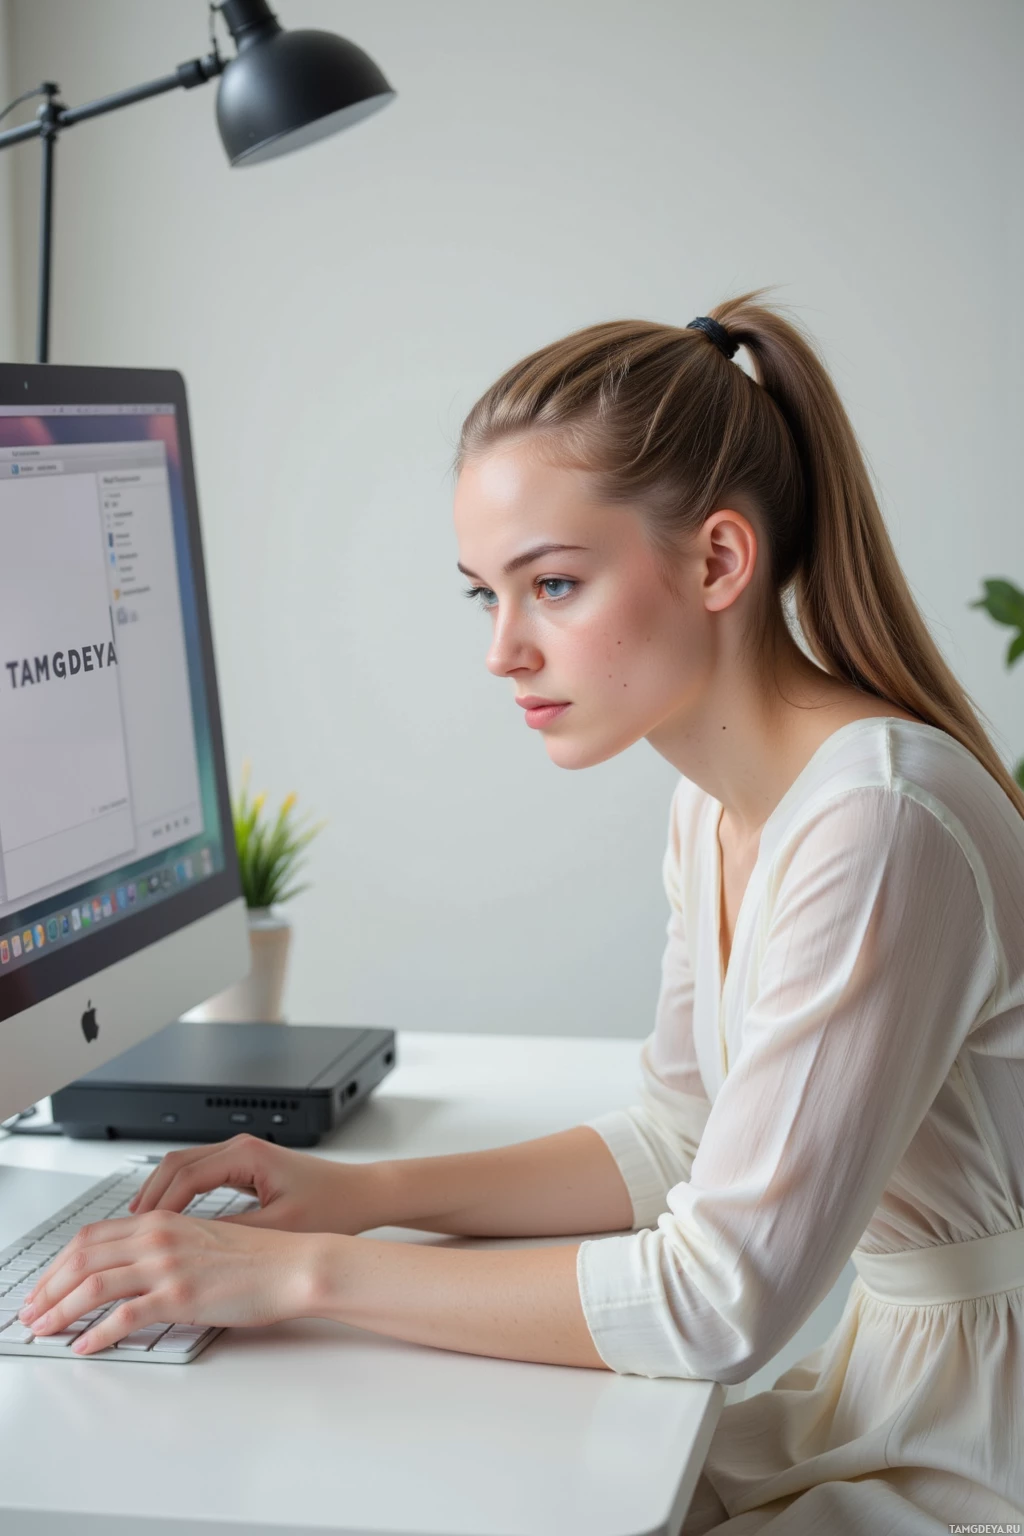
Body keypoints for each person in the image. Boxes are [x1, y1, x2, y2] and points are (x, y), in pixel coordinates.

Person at [15, 291, 1024, 1531]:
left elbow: (716, 1302)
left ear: (717, 561)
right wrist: (355, 1194)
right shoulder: (717, 802)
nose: (503, 649)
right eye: (481, 594)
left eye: (550, 585)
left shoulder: (874, 819)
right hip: (883, 1401)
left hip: (974, 1451)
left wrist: (294, 1274)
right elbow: (677, 1136)